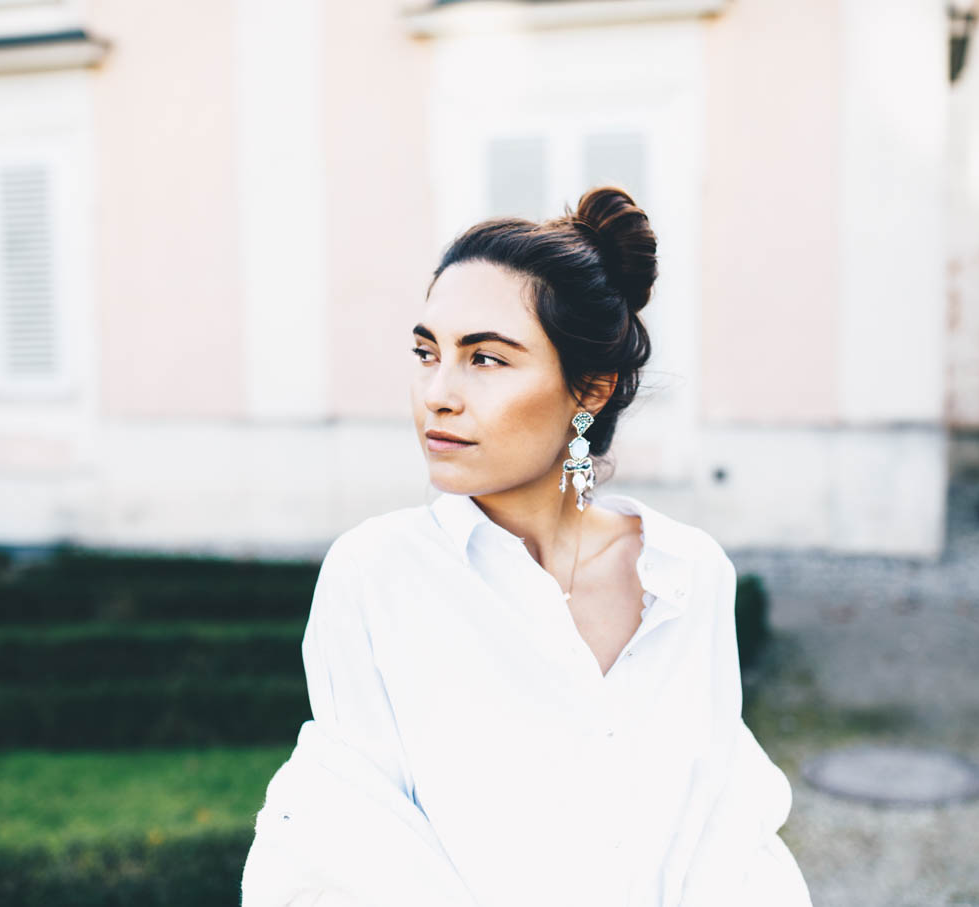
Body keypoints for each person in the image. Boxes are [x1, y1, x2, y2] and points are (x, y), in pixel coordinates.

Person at [241, 186, 812, 907]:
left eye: (485, 359)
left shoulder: (688, 576)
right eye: (427, 351)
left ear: (590, 390)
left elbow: (723, 840)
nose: (437, 393)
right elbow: (345, 855)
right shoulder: (374, 577)